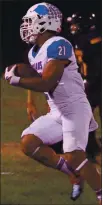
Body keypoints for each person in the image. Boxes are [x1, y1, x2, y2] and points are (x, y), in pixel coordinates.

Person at [4, 3, 102, 204]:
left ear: (45, 22)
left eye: (30, 22)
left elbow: (48, 82)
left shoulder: (59, 44)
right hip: (57, 111)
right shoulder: (34, 52)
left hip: (75, 108)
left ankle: (101, 192)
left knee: (74, 154)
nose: (27, 26)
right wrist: (19, 69)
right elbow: (37, 75)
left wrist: (17, 80)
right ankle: (72, 172)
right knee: (29, 143)